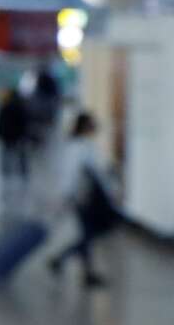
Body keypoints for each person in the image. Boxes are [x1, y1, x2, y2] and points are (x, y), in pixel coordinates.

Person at [48, 112, 121, 287]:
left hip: (87, 198)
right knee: (89, 234)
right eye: (92, 124)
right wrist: (65, 196)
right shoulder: (79, 148)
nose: (95, 128)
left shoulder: (84, 146)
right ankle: (78, 268)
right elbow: (72, 175)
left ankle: (63, 260)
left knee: (88, 234)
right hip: (86, 199)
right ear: (85, 127)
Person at [0, 87, 34, 183]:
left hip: (7, 135)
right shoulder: (21, 106)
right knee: (21, 154)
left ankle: (7, 172)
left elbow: (0, 122)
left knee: (7, 154)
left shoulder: (5, 106)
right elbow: (25, 122)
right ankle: (22, 172)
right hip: (18, 135)